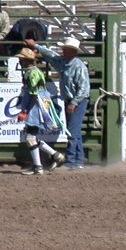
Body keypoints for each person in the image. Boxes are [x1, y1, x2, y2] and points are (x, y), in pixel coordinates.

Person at [35, 37, 91, 170]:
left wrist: (73, 103)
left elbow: (84, 88)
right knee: (74, 131)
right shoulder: (64, 62)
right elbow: (51, 55)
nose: (63, 52)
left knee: (72, 131)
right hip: (71, 100)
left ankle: (71, 160)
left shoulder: (78, 66)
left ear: (73, 52)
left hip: (77, 101)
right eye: (64, 49)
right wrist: (36, 46)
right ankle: (78, 160)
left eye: (66, 50)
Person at [15, 47, 65, 175]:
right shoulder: (32, 72)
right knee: (32, 137)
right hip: (39, 103)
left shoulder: (33, 73)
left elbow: (33, 93)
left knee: (30, 137)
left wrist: (25, 110)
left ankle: (38, 166)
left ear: (26, 60)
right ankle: (55, 155)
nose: (20, 61)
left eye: (21, 59)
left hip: (36, 106)